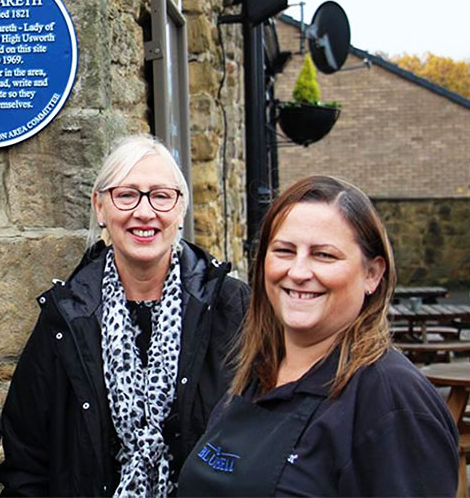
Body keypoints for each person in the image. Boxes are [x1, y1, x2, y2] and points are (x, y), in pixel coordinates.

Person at [0, 134, 249, 497]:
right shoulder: (68, 316)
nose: (144, 212)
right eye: (127, 195)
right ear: (100, 207)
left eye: (161, 196)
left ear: (180, 210)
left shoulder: (230, 305)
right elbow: (27, 456)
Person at [177, 175, 459, 496]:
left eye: (323, 255)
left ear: (372, 274)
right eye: (284, 250)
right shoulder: (252, 374)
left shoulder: (392, 401)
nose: (298, 272)